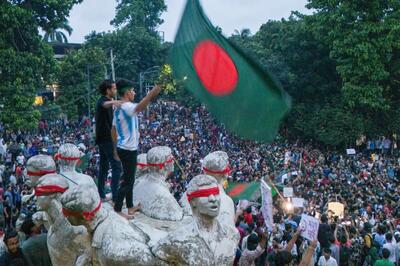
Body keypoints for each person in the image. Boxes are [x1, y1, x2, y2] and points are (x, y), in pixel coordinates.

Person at [112, 79, 162, 218]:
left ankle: (130, 206)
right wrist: (151, 93)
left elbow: (113, 129)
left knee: (130, 179)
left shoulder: (119, 108)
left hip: (124, 147)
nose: (134, 93)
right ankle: (117, 209)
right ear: (127, 92)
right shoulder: (127, 106)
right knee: (128, 182)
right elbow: (139, 107)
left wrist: (115, 148)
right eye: (133, 90)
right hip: (128, 149)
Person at [95, 79, 122, 203]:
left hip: (104, 139)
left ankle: (101, 194)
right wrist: (115, 102)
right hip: (106, 140)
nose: (116, 90)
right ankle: (116, 196)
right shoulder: (103, 101)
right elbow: (105, 105)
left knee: (104, 167)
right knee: (117, 166)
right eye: (114, 88)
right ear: (108, 90)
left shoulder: (109, 102)